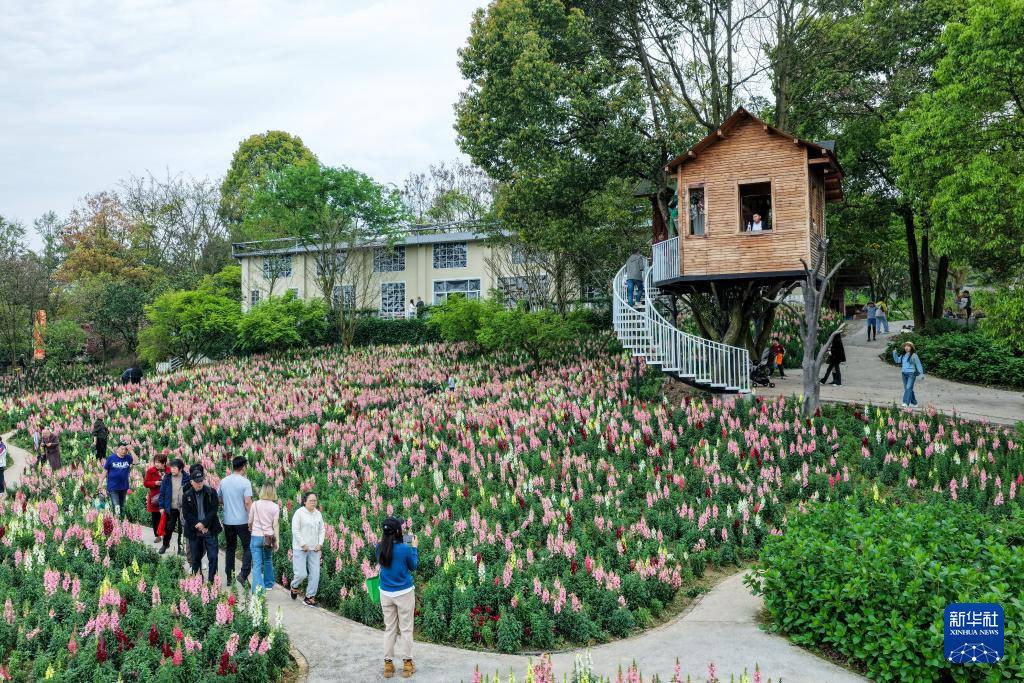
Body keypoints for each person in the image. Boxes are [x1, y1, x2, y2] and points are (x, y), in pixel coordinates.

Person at [377, 516, 418, 679]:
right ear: (399, 532)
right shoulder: (404, 549)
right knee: (406, 629)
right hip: (404, 593)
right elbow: (413, 566)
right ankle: (407, 665)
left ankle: (388, 665)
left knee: (390, 628)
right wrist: (414, 548)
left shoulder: (379, 547)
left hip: (385, 593)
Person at [181, 465, 221, 582]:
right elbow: (186, 514)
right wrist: (198, 525)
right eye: (197, 482)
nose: (200, 484)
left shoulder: (211, 492)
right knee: (196, 558)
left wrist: (204, 524)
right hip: (195, 531)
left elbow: (213, 510)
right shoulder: (187, 495)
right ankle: (199, 582)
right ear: (192, 482)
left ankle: (212, 581)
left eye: (201, 481)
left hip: (209, 529)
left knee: (213, 557)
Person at [219, 456, 254, 586]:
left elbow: (219, 499)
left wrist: (228, 503)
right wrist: (252, 519)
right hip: (243, 521)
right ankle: (243, 574)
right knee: (248, 547)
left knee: (230, 549)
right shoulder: (245, 482)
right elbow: (247, 502)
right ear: (243, 466)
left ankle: (229, 578)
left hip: (228, 521)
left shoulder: (224, 481)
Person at [290, 492, 325, 607]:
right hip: (301, 548)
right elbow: (295, 530)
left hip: (314, 549)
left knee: (315, 574)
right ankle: (294, 586)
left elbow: (322, 530)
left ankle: (309, 597)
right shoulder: (299, 513)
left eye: (315, 500)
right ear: (304, 501)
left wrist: (320, 544)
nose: (313, 503)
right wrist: (303, 544)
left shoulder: (318, 514)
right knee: (301, 574)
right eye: (311, 500)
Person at [248, 483, 281, 594]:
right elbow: (275, 524)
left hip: (256, 536)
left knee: (257, 564)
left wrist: (250, 527)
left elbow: (250, 520)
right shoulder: (275, 507)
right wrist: (277, 540)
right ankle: (268, 584)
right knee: (268, 559)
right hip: (269, 537)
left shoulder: (255, 504)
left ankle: (258, 590)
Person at [158, 459, 190, 555]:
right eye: (171, 467)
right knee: (169, 527)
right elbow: (162, 493)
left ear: (180, 469)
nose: (172, 470)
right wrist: (161, 507)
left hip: (182, 509)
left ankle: (180, 548)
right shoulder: (167, 478)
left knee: (182, 529)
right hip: (170, 508)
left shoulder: (187, 479)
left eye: (174, 468)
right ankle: (165, 544)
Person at [104, 439, 134, 518]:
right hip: (113, 487)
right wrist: (100, 484)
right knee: (116, 506)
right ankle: (117, 523)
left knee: (121, 506)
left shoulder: (128, 458)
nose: (124, 451)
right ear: (117, 449)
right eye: (122, 449)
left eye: (125, 449)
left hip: (123, 487)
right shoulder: (111, 458)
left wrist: (131, 450)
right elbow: (105, 471)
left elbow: (136, 461)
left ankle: (119, 522)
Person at [143, 453, 168, 541]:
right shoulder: (151, 471)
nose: (156, 464)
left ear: (164, 463)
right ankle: (157, 535)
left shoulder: (168, 470)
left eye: (158, 462)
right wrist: (155, 483)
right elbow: (145, 483)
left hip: (167, 497)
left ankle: (166, 534)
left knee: (167, 516)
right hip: (155, 498)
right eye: (155, 462)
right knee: (156, 517)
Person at [893, 341, 925, 408]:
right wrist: (894, 353)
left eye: (908, 346)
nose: (906, 347)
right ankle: (914, 403)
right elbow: (897, 361)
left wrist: (921, 374)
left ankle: (905, 402)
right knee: (908, 388)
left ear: (911, 348)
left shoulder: (914, 355)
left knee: (908, 388)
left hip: (911, 374)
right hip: (904, 374)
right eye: (905, 346)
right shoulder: (903, 355)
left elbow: (918, 364)